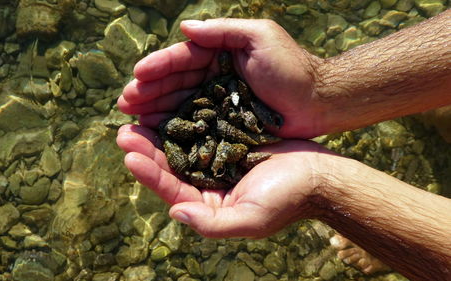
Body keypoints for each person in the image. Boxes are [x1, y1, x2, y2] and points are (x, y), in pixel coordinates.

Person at [116, 10, 451, 281]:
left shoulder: (221, 126)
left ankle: (395, 239)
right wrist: (320, 89)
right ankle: (435, 100)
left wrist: (323, 190)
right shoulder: (215, 121)